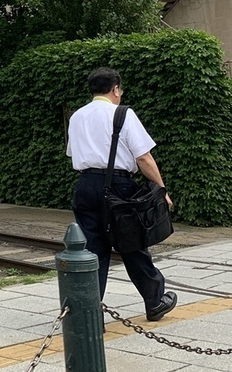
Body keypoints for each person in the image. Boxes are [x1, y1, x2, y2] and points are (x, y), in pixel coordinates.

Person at [67, 67, 177, 322]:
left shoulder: (77, 116)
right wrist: (161, 189)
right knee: (133, 243)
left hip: (85, 185)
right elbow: (143, 157)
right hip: (118, 185)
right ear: (115, 88)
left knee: (92, 249)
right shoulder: (122, 113)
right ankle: (155, 300)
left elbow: (73, 153)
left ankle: (88, 313)